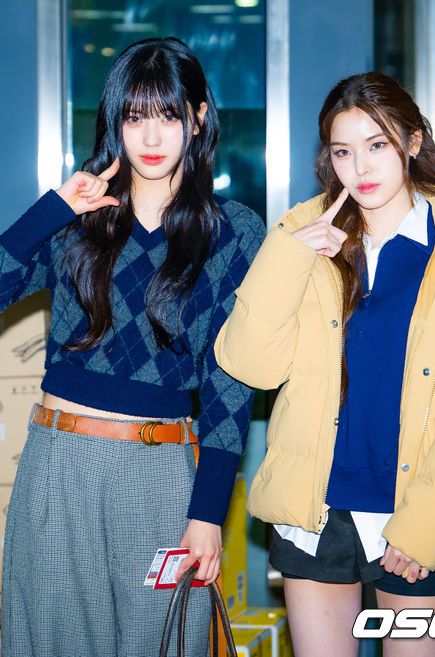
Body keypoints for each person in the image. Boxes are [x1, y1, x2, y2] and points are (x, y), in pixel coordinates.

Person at [214, 72, 435, 657]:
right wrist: (289, 253)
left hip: (414, 514)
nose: (359, 167)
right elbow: (250, 364)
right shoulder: (305, 248)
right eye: (342, 151)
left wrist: (427, 525)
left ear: (412, 142)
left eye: (377, 144)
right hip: (312, 513)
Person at [0, 37, 264, 657]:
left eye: (168, 115)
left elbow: (229, 384)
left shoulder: (232, 232)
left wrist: (208, 513)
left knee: (163, 642)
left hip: (162, 472)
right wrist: (52, 209)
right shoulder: (77, 219)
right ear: (114, 121)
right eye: (134, 115)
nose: (150, 136)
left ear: (198, 117)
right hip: (59, 465)